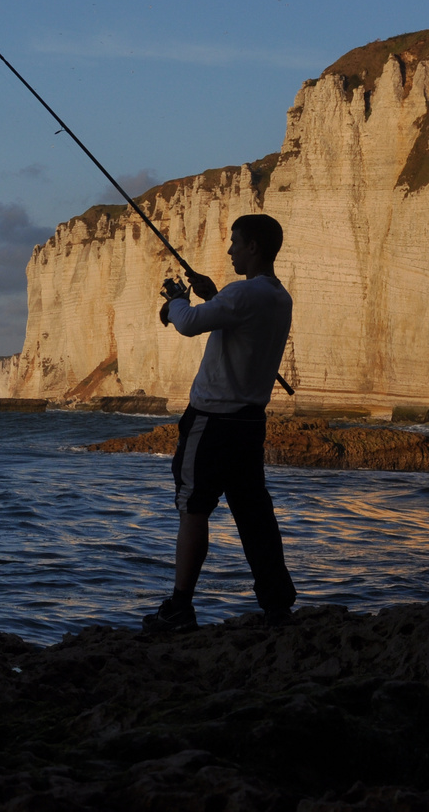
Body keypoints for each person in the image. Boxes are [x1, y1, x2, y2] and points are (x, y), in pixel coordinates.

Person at [144, 213, 297, 633]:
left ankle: (179, 607)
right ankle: (278, 606)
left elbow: (190, 323)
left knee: (193, 508)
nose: (229, 250)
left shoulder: (243, 295)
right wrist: (214, 296)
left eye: (235, 243)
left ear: (254, 248)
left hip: (212, 422)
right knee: (254, 513)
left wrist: (176, 299)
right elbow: (232, 317)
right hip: (250, 424)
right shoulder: (278, 297)